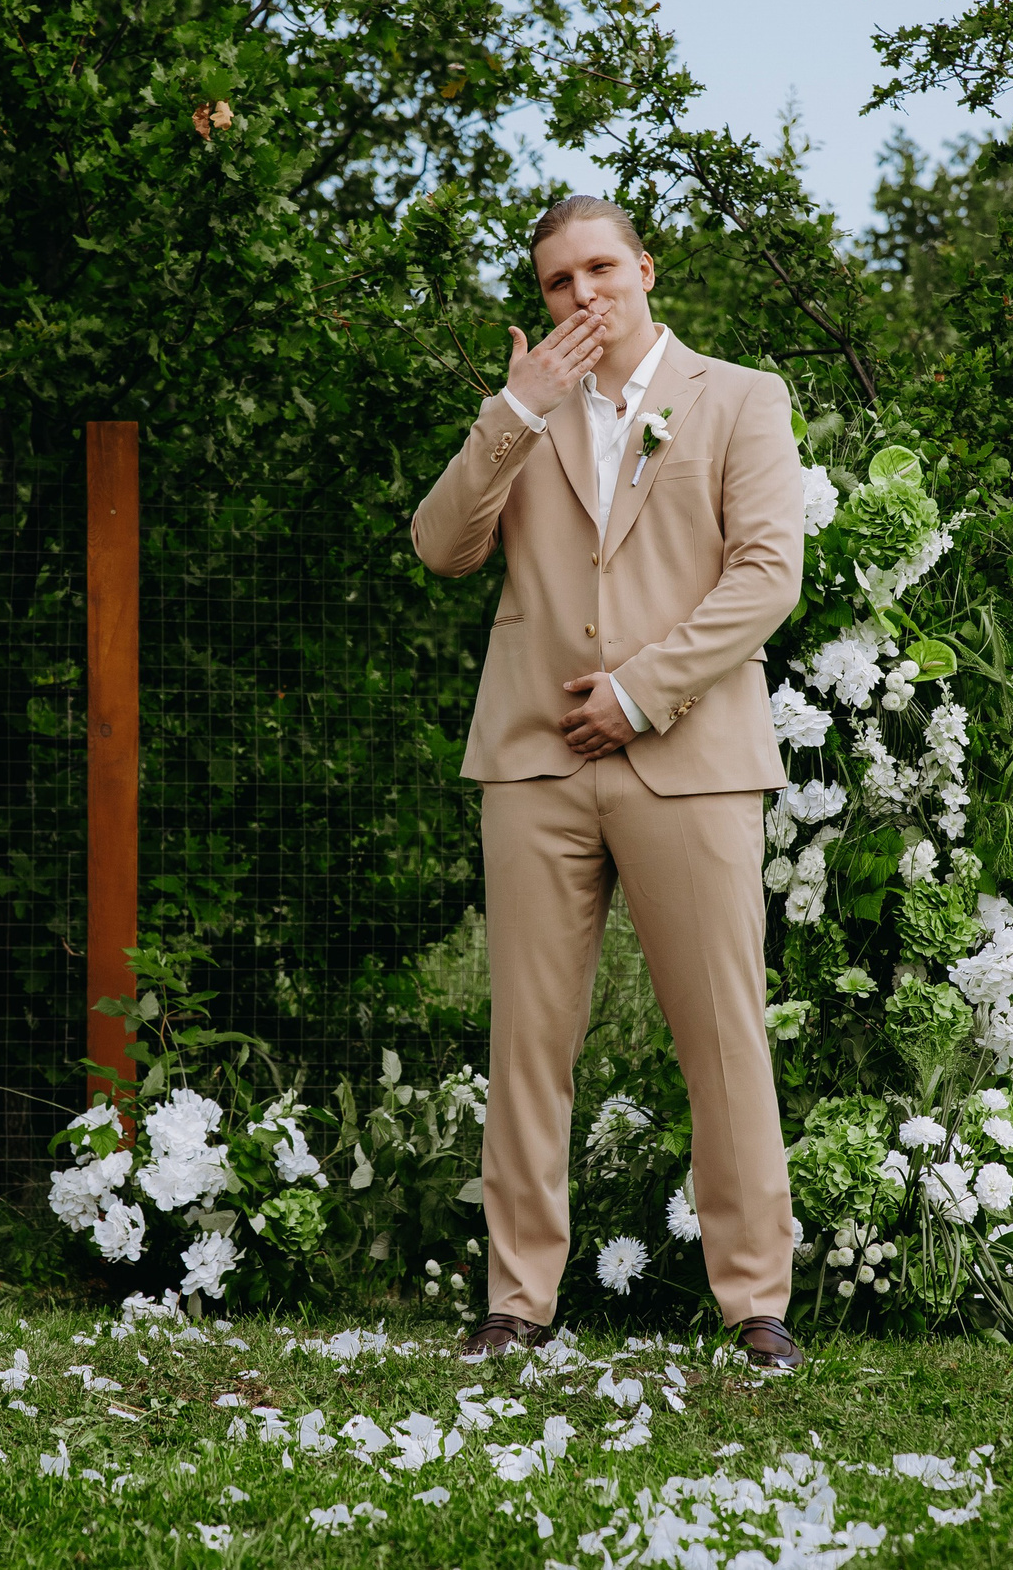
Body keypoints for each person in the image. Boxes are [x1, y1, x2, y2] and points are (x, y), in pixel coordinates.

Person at [412, 195, 805, 1368]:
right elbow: (441, 547)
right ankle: (516, 1303)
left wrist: (638, 691)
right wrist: (509, 416)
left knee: (723, 1036)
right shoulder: (519, 417)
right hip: (532, 763)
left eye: (598, 270)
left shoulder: (741, 397)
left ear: (643, 268)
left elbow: (766, 575)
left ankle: (755, 1305)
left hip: (687, 763)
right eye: (555, 283)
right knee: (530, 1038)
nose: (581, 296)